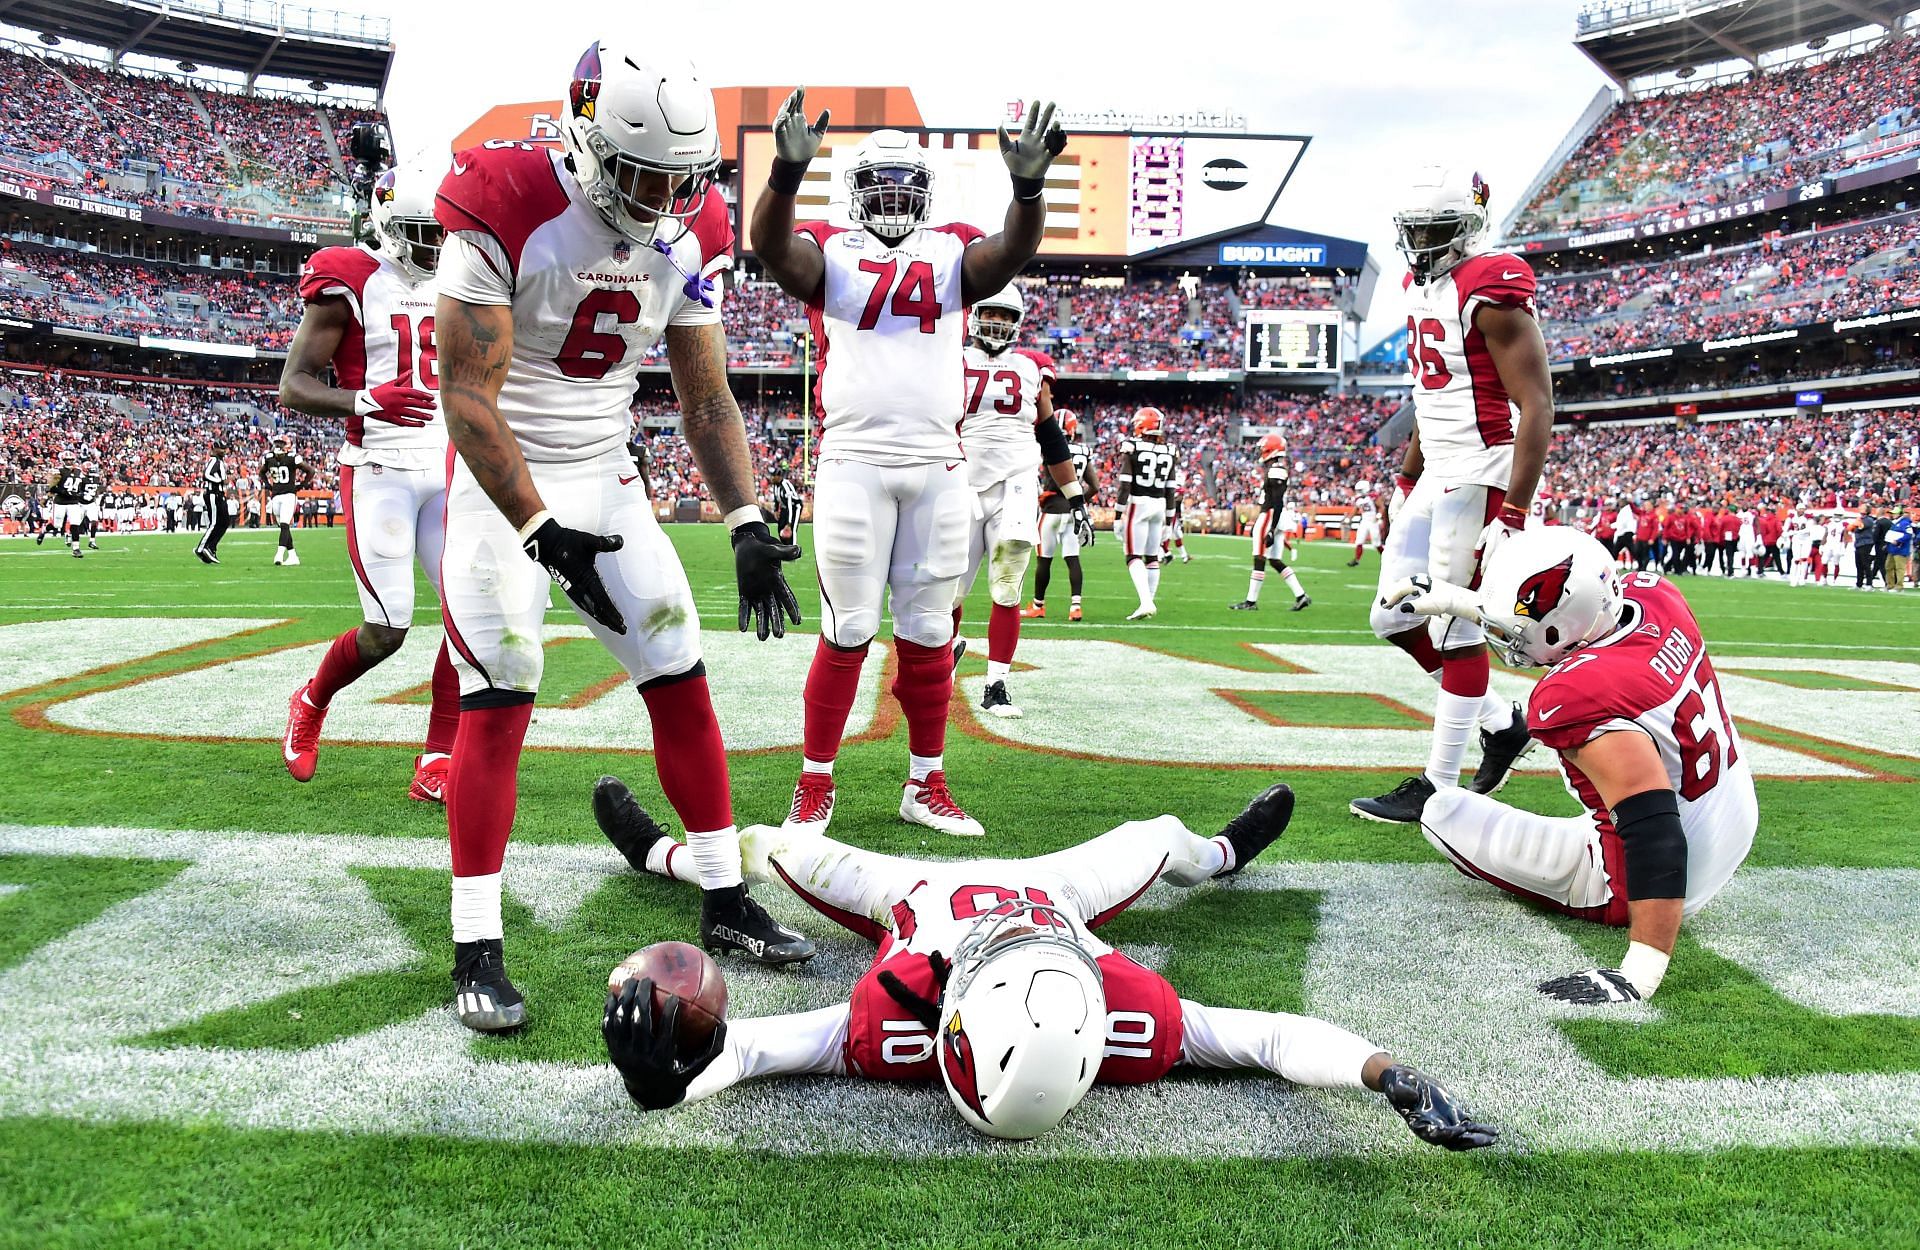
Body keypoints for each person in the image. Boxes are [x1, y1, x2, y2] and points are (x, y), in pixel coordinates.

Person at [429, 41, 814, 1033]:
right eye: (646, 176)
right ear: (592, 143)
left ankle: (725, 896)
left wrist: (743, 520)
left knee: (679, 665)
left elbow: (706, 393)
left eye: (683, 179)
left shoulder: (694, 227)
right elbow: (466, 395)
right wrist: (535, 528)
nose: (665, 200)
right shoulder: (507, 196)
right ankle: (476, 943)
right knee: (502, 683)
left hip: (604, 472)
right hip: (501, 478)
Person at [592, 776, 1497, 1151]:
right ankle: (1219, 856)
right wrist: (1384, 1072)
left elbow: (741, 1051)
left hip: (914, 895)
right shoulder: (1132, 1024)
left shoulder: (893, 1029)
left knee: (776, 845)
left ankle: (656, 856)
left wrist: (660, 1085)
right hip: (1049, 891)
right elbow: (1263, 1038)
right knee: (1155, 837)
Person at [750, 89, 1066, 839]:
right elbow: (771, 248)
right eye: (880, 187)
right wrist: (786, 174)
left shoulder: (952, 247)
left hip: (937, 461)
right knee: (848, 629)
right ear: (857, 193)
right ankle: (815, 783)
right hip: (856, 456)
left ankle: (926, 784)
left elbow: (1012, 253)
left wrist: (1028, 188)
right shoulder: (829, 246)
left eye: (905, 187)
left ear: (924, 194)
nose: (892, 200)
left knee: (928, 632)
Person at [1380, 526, 1756, 1003]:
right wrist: (1459, 601)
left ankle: (1633, 930)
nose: (1508, 640)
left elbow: (1654, 831)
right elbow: (1554, 617)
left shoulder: (1575, 695)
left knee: (1441, 812)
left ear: (1564, 625)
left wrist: (1641, 970)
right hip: (1730, 820)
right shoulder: (1655, 596)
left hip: (1653, 876)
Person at [1351, 166, 1549, 824]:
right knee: (1391, 617)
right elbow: (1429, 396)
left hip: (1482, 476)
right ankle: (1500, 724)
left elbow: (1537, 404)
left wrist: (1515, 510)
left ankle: (1438, 785)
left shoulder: (1490, 287)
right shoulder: (1422, 282)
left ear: (1467, 227)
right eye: (1414, 231)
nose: (1422, 243)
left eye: (1435, 230)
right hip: (1437, 475)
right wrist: (1408, 474)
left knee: (1454, 627)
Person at [278, 160, 461, 805]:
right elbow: (294, 384)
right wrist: (362, 401)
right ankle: (311, 700)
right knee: (388, 630)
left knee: (469, 620)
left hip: (448, 468)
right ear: (386, 227)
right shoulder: (352, 278)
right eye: (419, 232)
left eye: (438, 231)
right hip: (381, 468)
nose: (434, 245)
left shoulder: (462, 268)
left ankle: (439, 753)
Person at [954, 281, 1093, 720]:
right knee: (947, 590)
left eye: (1006, 316)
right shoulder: (948, 356)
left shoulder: (1033, 365)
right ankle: (944, 654)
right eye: (991, 313)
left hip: (1015, 482)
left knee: (1008, 583)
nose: (997, 322)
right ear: (977, 315)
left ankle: (996, 682)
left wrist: (1075, 497)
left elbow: (1049, 434)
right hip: (958, 479)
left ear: (1018, 322)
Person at [1024, 407, 1096, 622]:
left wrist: (1044, 495)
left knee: (1044, 560)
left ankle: (1038, 605)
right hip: (1072, 512)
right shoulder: (1084, 451)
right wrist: (1079, 502)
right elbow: (1094, 486)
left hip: (1052, 510)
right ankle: (1075, 607)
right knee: (1072, 559)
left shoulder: (1045, 445)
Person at [1230, 432, 1310, 611]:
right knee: (1274, 560)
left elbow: (1277, 501)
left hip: (1270, 515)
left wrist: (1271, 528)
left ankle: (1250, 602)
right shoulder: (1276, 468)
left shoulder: (1276, 469)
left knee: (1259, 557)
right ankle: (1301, 595)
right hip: (1275, 516)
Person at [1116, 406, 1177, 620]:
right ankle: (1149, 601)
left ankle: (1146, 602)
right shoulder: (1170, 449)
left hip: (1138, 504)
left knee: (1133, 555)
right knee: (1152, 557)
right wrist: (1169, 521)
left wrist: (1117, 515)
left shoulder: (1131, 446)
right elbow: (1171, 488)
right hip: (1160, 505)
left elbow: (1124, 485)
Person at [262, 434, 306, 566]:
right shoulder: (269, 458)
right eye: (277, 443)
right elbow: (261, 472)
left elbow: (310, 471)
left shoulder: (293, 458)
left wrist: (301, 485)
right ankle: (293, 556)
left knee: (285, 525)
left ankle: (279, 554)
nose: (278, 446)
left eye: (281, 443)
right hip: (276, 495)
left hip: (289, 495)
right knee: (283, 526)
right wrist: (267, 484)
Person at [193, 442, 230, 564]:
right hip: (213, 493)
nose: (224, 451)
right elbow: (206, 474)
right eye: (221, 449)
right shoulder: (214, 461)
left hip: (219, 494)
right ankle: (201, 548)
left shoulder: (219, 461)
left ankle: (211, 548)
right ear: (215, 449)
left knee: (224, 522)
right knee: (214, 522)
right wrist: (220, 481)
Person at [1348, 480, 1383, 567]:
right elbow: (1355, 510)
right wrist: (1349, 519)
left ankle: (1386, 558)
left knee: (1376, 543)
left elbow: (1381, 507)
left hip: (1373, 521)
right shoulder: (1358, 499)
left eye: (1360, 490)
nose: (1358, 492)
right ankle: (1356, 560)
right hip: (1364, 521)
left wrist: (1378, 516)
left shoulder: (1373, 496)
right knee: (1359, 541)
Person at [770, 465, 803, 543]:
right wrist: (775, 510)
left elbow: (790, 506)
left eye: (773, 476)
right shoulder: (775, 485)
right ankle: (785, 547)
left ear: (779, 477)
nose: (772, 478)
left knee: (792, 528)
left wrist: (789, 522)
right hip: (785, 507)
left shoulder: (785, 486)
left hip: (795, 507)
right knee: (780, 527)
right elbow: (776, 499)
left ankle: (793, 549)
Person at [1886, 506, 1914, 591]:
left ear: (1900, 514)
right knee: (1888, 567)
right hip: (1892, 548)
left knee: (1900, 568)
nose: (1893, 515)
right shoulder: (1894, 523)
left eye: (1894, 513)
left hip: (1900, 549)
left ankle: (1899, 586)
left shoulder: (1905, 523)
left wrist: (1898, 541)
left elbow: (1908, 535)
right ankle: (1890, 585)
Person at [1854, 507, 1878, 589]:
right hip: (1858, 543)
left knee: (1866, 564)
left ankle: (1869, 583)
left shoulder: (1868, 520)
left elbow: (1860, 527)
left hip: (1865, 543)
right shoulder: (1860, 519)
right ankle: (1859, 583)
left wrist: (1856, 523)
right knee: (1858, 564)